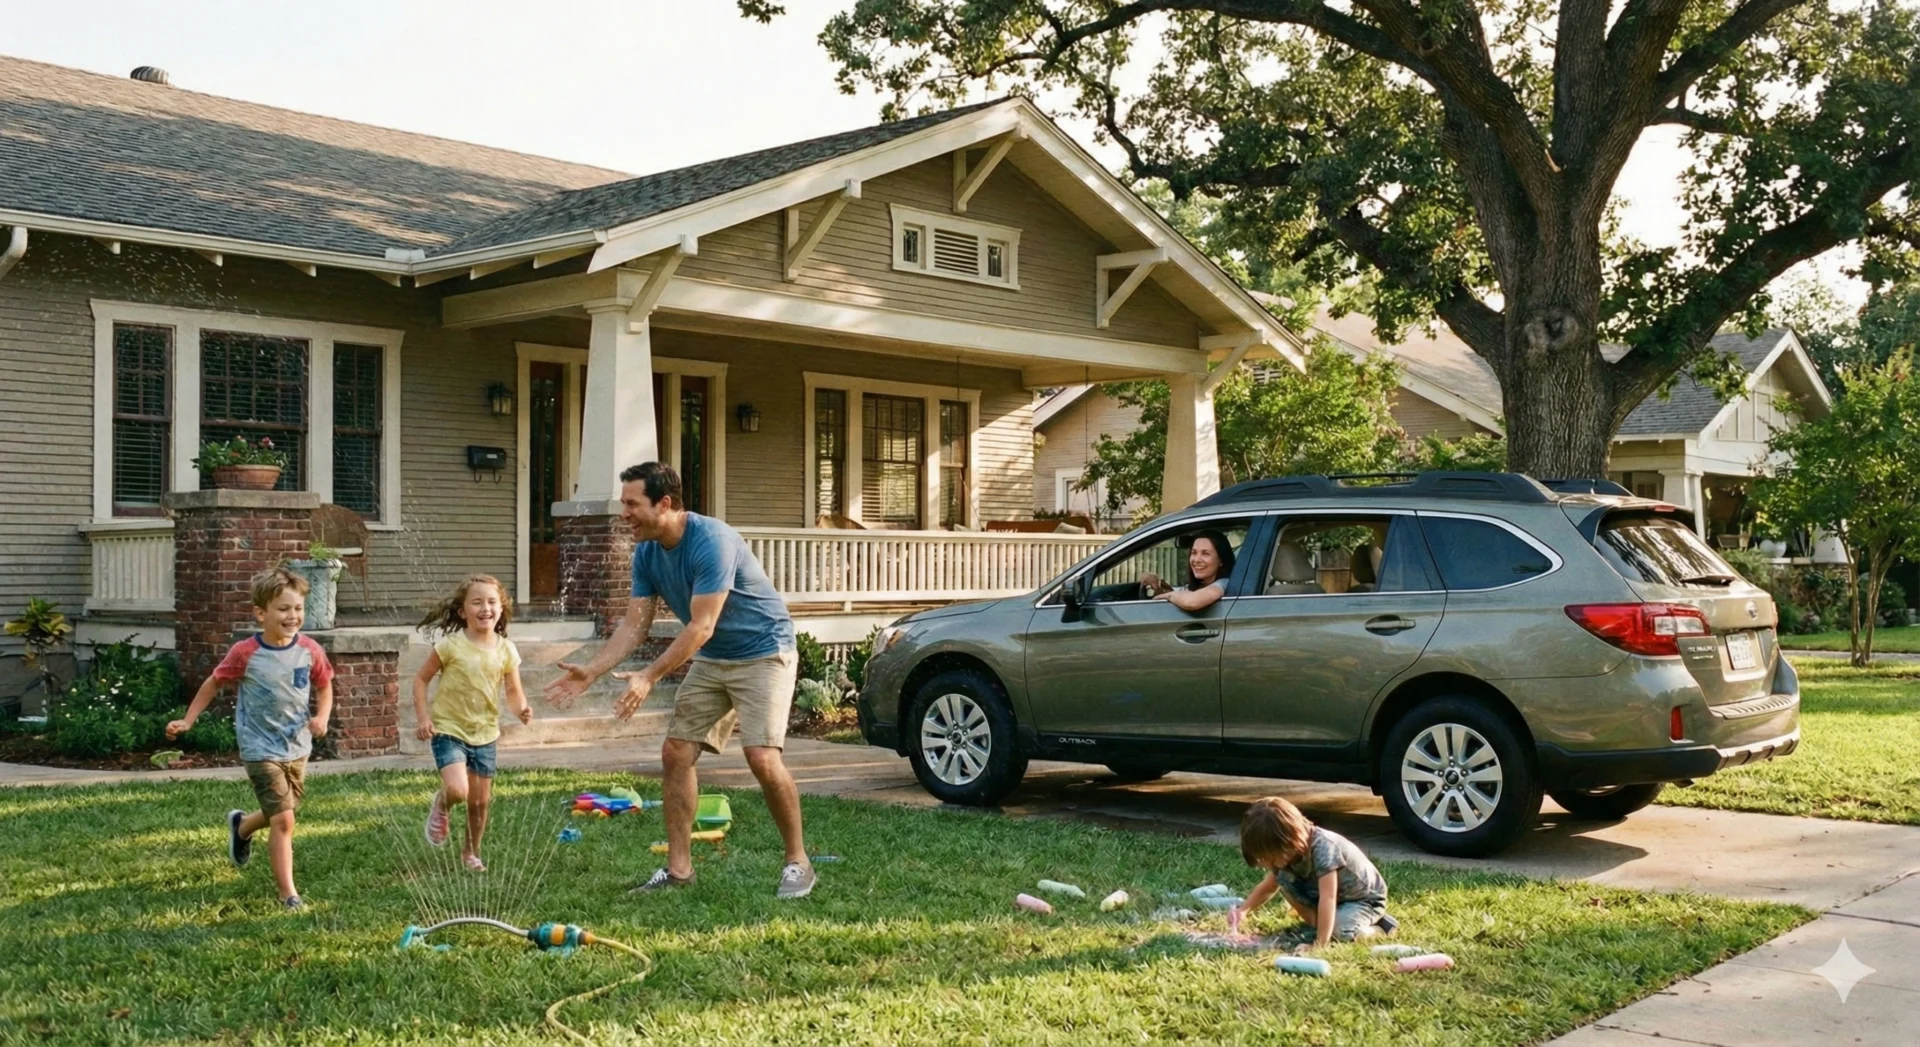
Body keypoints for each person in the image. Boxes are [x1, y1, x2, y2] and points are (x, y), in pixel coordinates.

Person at [545, 462, 815, 899]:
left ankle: (797, 862)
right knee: (675, 752)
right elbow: (635, 626)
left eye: (632, 504)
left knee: (762, 756)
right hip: (715, 656)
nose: (624, 514)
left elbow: (701, 625)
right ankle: (678, 870)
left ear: (664, 503)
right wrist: (591, 671)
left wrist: (649, 676)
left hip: (764, 650)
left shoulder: (713, 541)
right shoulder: (648, 553)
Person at [166, 567, 333, 910]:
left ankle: (241, 826)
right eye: (283, 609)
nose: (293, 616)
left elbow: (324, 684)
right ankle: (289, 894)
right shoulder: (246, 652)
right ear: (261, 614)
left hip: (297, 745)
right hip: (259, 747)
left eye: (298, 608)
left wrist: (322, 716)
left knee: (284, 809)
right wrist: (188, 719)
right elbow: (214, 682)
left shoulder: (310, 649)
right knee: (285, 818)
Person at [412, 574, 531, 872]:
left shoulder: (506, 650)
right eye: (477, 602)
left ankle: (471, 852)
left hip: (486, 734)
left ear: (501, 609)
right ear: (463, 611)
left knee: (479, 804)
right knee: (458, 791)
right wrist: (424, 717)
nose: (485, 608)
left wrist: (522, 709)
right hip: (449, 730)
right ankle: (442, 804)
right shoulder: (451, 646)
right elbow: (420, 679)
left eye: (492, 602)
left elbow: (514, 692)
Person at [1236, 795, 1396, 950]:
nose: (1272, 864)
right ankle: (1326, 923)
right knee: (1283, 880)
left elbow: (1328, 897)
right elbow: (1268, 886)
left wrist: (1319, 944)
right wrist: (1243, 911)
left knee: (1338, 933)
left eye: (1272, 858)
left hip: (1362, 900)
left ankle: (1382, 928)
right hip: (1328, 897)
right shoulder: (1287, 854)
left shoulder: (1324, 848)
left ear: (1290, 840)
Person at [1142, 529, 1236, 612]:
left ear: (1221, 560)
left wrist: (1169, 596)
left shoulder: (1225, 583)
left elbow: (1191, 601)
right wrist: (1158, 585)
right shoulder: (1199, 585)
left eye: (1206, 554)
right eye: (1194, 553)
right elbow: (1182, 594)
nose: (1197, 560)